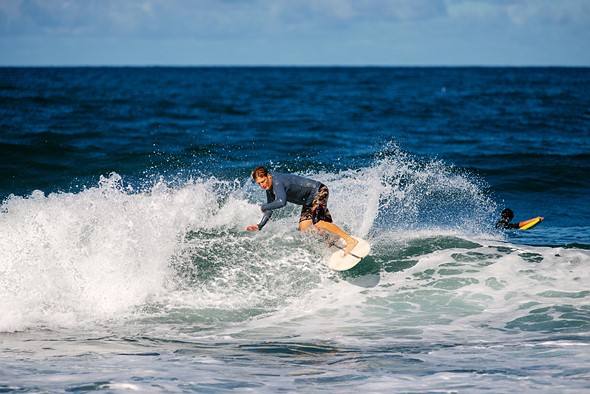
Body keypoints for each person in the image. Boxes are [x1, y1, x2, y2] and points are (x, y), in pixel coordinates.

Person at [246, 166, 358, 255]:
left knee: (318, 222)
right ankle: (330, 237)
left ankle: (350, 240)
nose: (262, 185)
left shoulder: (277, 182)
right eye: (259, 183)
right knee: (304, 228)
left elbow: (281, 202)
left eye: (263, 181)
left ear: (268, 176)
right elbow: (271, 208)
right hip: (309, 201)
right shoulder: (269, 187)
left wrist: (263, 207)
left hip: (318, 191)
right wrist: (260, 225)